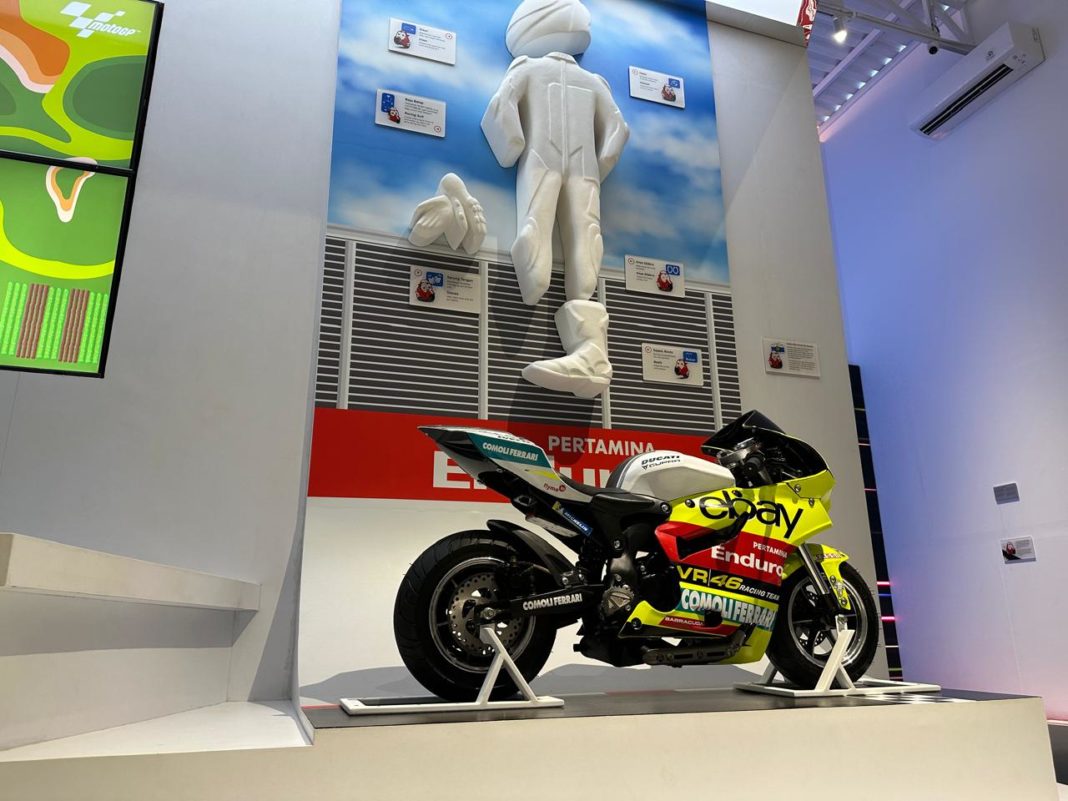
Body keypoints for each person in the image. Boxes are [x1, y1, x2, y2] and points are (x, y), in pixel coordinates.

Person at [482, 0, 629, 399]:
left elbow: (500, 108)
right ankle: (589, 350)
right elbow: (618, 129)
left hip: (540, 161)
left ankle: (545, 300)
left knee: (535, 227)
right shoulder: (594, 82)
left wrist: (512, 146)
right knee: (586, 240)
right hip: (584, 169)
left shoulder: (527, 69)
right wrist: (601, 166)